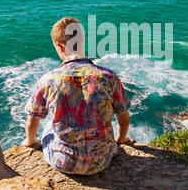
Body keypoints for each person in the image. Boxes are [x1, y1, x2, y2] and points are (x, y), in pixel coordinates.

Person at [21, 16, 131, 175]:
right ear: (82, 40)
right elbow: (124, 121)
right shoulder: (108, 76)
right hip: (103, 161)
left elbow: (32, 121)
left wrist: (29, 141)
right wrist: (121, 140)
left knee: (49, 125)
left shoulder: (49, 79)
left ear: (59, 46)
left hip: (64, 163)